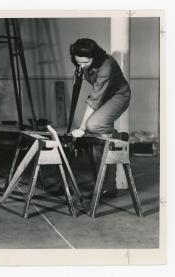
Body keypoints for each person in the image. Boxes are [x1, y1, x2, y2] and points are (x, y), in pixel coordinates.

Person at [69, 38, 131, 197]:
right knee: (98, 138)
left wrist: (82, 128)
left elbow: (94, 98)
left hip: (119, 96)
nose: (81, 66)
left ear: (94, 56)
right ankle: (107, 187)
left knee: (93, 126)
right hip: (104, 96)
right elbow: (95, 94)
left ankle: (117, 137)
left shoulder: (107, 65)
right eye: (78, 62)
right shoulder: (83, 64)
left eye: (84, 63)